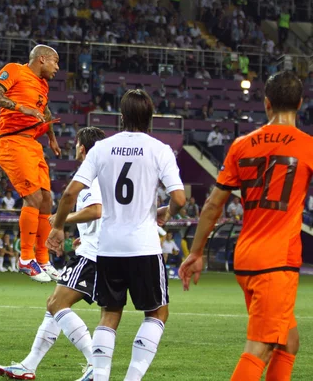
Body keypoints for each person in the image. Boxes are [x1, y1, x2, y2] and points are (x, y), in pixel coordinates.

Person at [180, 71, 310, 381]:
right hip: (277, 262)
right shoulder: (307, 146)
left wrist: (196, 252)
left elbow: (213, 205)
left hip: (247, 256)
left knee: (289, 342)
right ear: (301, 104)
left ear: (267, 104)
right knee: (261, 347)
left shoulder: (242, 145)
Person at [47, 90, 186, 381]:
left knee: (109, 316)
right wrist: (167, 211)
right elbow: (180, 198)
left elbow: (71, 193)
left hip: (108, 249)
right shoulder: (159, 149)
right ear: (151, 119)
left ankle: (99, 377)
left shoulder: (102, 148)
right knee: (157, 314)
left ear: (121, 118)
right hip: (144, 246)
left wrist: (58, 226)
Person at [0, 127, 105, 381]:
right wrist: (86, 233)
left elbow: (96, 210)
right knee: (53, 305)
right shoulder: (107, 174)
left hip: (93, 256)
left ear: (82, 148)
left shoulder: (91, 175)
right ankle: (29, 364)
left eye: (77, 144)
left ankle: (93, 364)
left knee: (57, 304)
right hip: (95, 249)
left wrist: (61, 219)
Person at [0, 44, 62, 283]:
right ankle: (26, 259)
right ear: (42, 59)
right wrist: (21, 107)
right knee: (34, 198)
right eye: (55, 62)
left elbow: (45, 110)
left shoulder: (42, 84)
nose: (57, 68)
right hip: (12, 142)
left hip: (32, 144)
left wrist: (51, 137)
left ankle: (42, 258)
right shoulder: (15, 71)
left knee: (47, 199)